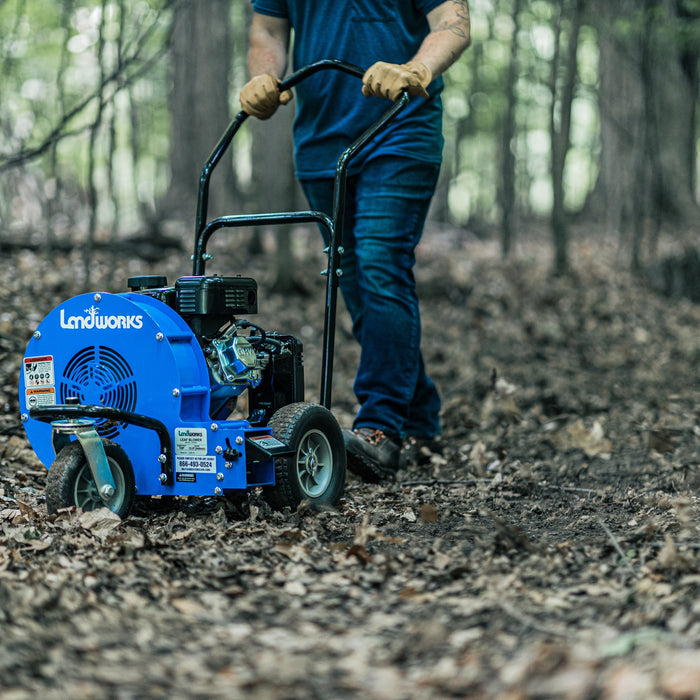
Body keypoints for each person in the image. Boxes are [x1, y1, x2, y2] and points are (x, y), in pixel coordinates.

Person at [240, 1, 471, 482]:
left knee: (380, 263)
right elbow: (268, 30)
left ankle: (381, 428)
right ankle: (420, 411)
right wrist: (263, 77)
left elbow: (452, 25)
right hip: (321, 140)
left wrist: (415, 69)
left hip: (401, 127)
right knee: (356, 284)